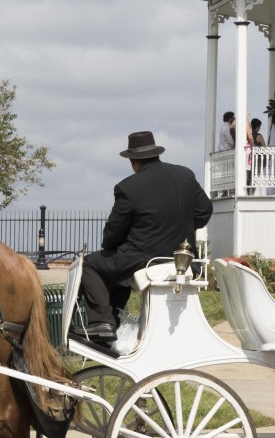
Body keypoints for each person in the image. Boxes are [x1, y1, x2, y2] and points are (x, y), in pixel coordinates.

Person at [73, 131, 213, 348]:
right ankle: (111, 325)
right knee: (116, 266)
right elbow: (204, 211)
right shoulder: (185, 175)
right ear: (155, 154)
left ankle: (102, 322)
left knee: (90, 263)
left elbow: (112, 234)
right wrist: (179, 231)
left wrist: (115, 245)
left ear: (132, 161)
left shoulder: (128, 187)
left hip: (144, 257)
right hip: (181, 258)